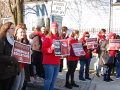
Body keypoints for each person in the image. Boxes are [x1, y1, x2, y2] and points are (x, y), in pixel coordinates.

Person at [0, 22, 20, 90]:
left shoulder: (14, 41)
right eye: (12, 28)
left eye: (14, 28)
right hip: (4, 72)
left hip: (13, 71)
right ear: (7, 29)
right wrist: (12, 59)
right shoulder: (2, 40)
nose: (14, 29)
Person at [41, 22, 61, 90]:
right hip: (49, 63)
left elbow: (61, 50)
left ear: (57, 29)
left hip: (57, 62)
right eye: (53, 28)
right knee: (48, 81)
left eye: (55, 28)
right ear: (51, 29)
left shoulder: (59, 38)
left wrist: (66, 50)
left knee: (53, 82)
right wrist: (50, 49)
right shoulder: (47, 37)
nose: (54, 29)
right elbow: (43, 49)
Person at [11, 23, 30, 90]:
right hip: (16, 67)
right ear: (16, 33)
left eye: (24, 32)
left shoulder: (24, 42)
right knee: (16, 86)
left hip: (22, 66)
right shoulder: (13, 42)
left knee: (21, 85)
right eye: (21, 32)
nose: (23, 34)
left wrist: (30, 53)